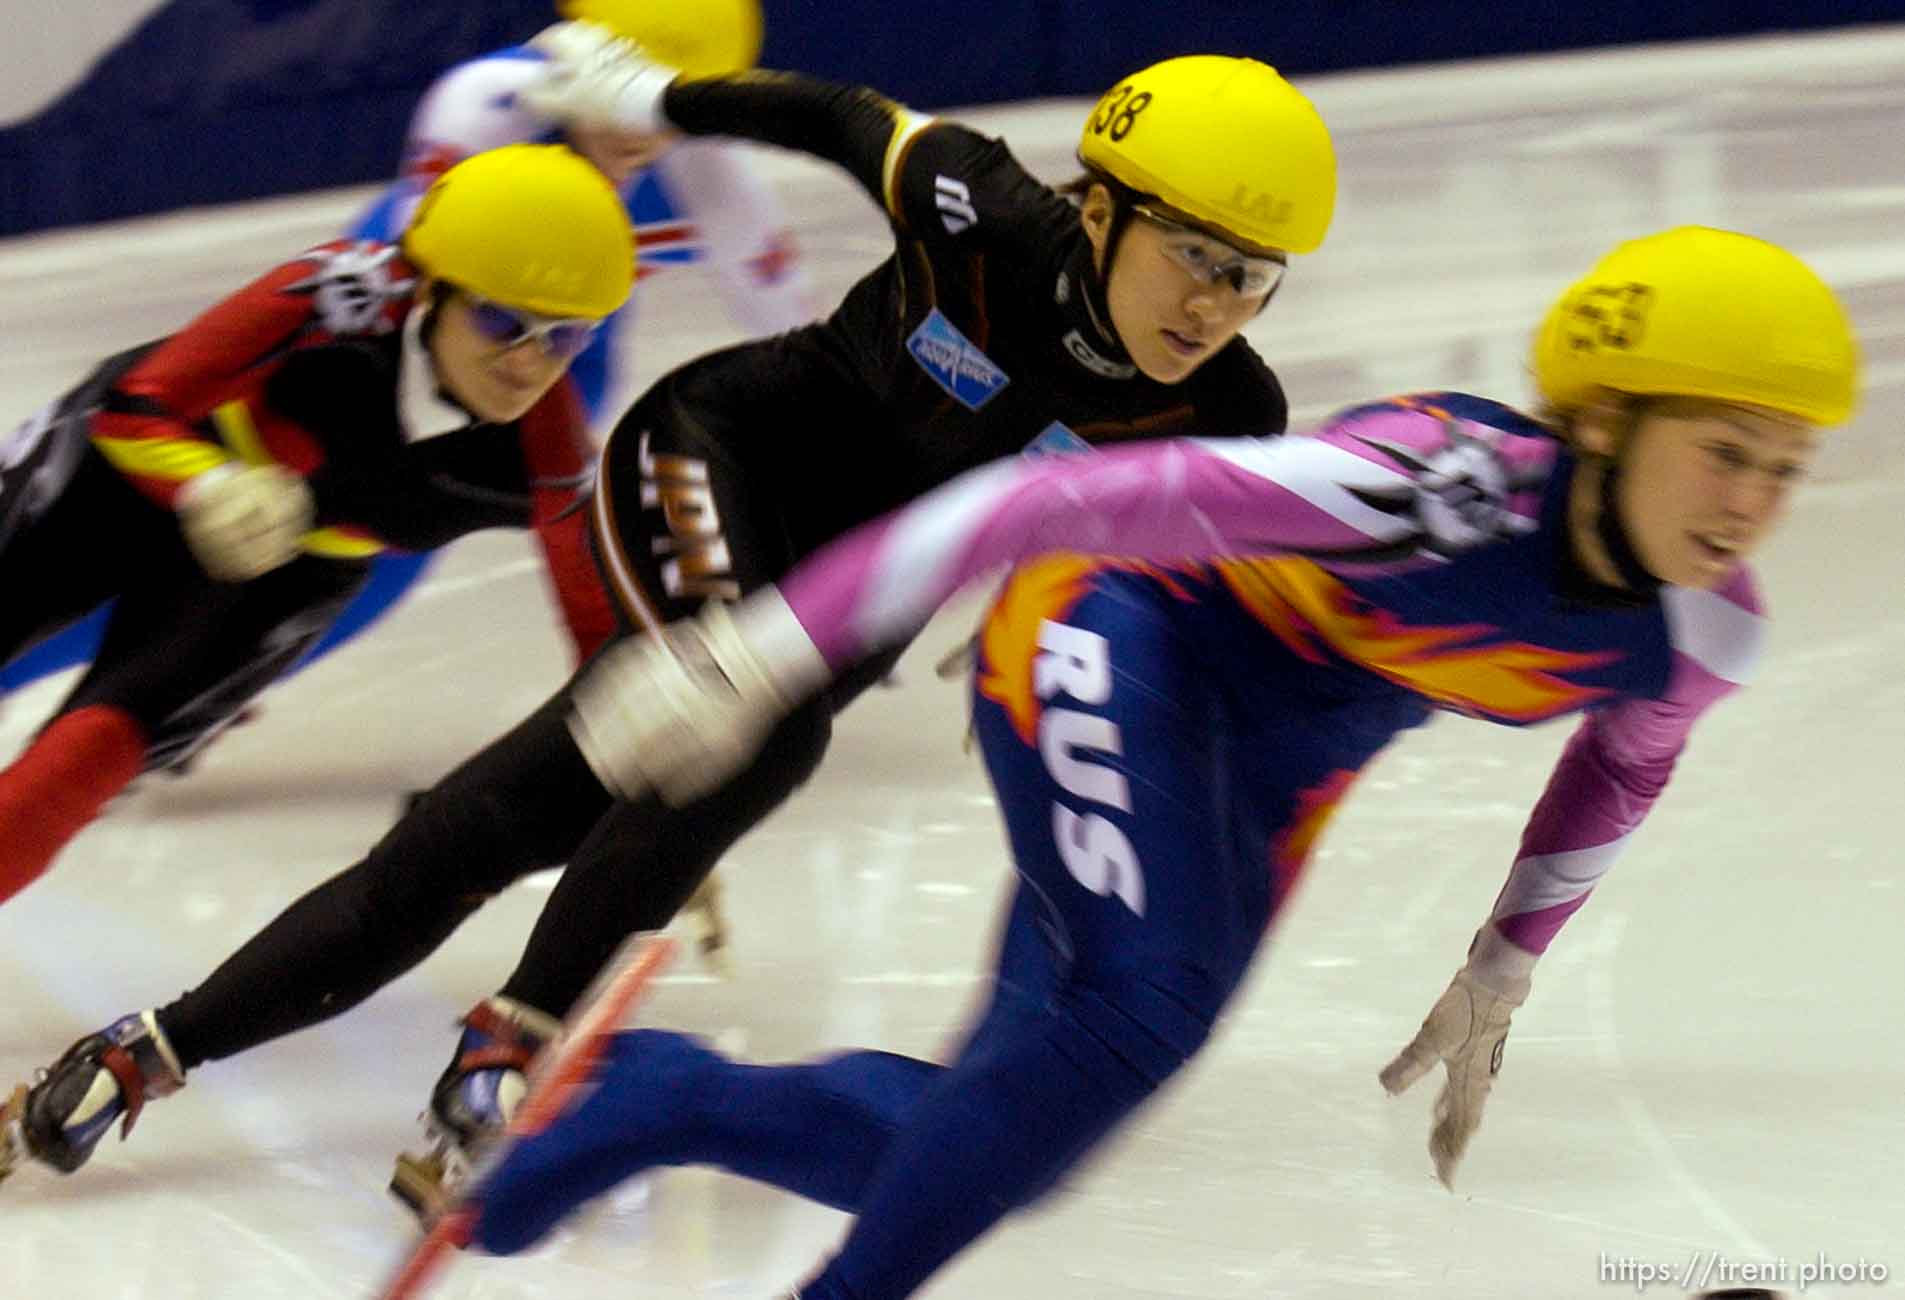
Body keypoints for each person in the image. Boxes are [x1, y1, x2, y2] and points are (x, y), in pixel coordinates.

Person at [0, 43, 1339, 1215]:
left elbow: (1186, 591)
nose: (1213, 304)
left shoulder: (1230, 415)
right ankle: (512, 1037)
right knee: (759, 731)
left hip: (847, 604)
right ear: (1097, 208)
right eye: (1193, 257)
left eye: (1251, 278)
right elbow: (837, 117)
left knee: (483, 830)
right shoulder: (985, 208)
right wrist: (657, 94)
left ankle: (143, 1054)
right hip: (723, 453)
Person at [452, 226, 1857, 1300]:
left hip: (1265, 780)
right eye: (1723, 452)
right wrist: (761, 652)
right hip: (1111, 630)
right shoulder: (1424, 489)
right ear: (1604, 421)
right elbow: (1042, 498)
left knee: (1014, 1137)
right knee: (1147, 1002)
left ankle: (667, 1096)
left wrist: (1506, 961)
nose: (1752, 504)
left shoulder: (1698, 636)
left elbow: (1623, 769)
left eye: (1785, 469)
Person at [1, 0, 816, 698]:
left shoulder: (715, 176)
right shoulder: (486, 103)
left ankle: (181, 688)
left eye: (677, 104)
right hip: (414, 297)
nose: (648, 130)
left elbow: (797, 348)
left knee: (365, 558)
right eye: (630, 90)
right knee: (235, 501)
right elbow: (417, 284)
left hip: (563, 344)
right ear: (576, 50)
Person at [0, 142, 629, 911]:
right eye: (503, 321)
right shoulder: (340, 292)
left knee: (88, 756)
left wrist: (643, 812)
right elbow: (136, 403)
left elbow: (605, 641)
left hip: (286, 572)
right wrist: (207, 486)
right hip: (138, 464)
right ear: (431, 287)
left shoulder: (547, 451)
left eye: (566, 337)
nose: (530, 365)